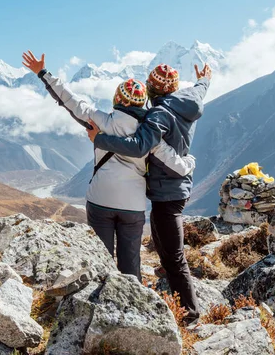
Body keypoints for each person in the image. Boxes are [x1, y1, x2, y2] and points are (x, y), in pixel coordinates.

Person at [21, 51, 196, 282]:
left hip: (100, 200)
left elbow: (70, 101)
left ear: (117, 99)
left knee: (100, 258)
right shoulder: (149, 132)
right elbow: (174, 162)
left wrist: (43, 73)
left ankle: (98, 300)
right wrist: (189, 163)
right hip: (133, 205)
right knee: (130, 263)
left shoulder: (99, 120)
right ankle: (132, 305)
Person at [87, 62, 212, 323]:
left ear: (152, 90)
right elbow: (200, 89)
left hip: (168, 190)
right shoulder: (188, 99)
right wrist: (204, 79)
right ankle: (170, 284)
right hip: (171, 190)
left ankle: (190, 313)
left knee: (175, 255)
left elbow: (140, 145)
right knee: (164, 245)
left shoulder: (159, 116)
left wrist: (100, 139)